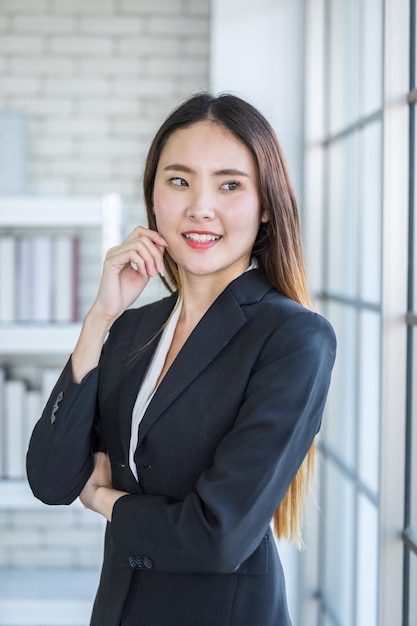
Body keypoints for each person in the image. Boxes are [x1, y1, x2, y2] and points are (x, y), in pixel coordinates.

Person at [27, 92, 336, 626]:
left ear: (266, 205)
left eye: (229, 184)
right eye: (179, 180)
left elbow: (216, 537)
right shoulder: (131, 328)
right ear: (152, 197)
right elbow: (52, 480)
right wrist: (98, 319)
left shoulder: (293, 338)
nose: (200, 207)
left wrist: (107, 502)